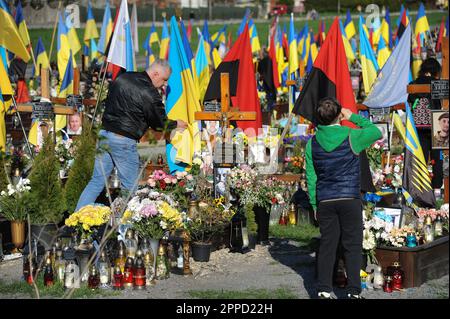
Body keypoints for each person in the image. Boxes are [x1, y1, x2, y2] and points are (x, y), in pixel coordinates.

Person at [75, 59, 187, 212]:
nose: (164, 84)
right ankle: (126, 231)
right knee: (130, 188)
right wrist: (177, 124)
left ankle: (76, 222)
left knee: (96, 182)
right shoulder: (149, 92)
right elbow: (159, 123)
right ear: (155, 74)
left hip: (104, 134)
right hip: (123, 139)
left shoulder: (122, 78)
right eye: (164, 80)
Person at [305, 97, 381, 299]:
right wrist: (353, 117)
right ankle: (353, 291)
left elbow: (311, 178)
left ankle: (324, 289)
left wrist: (314, 204)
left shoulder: (311, 143)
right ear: (339, 114)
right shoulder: (351, 136)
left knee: (328, 244)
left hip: (325, 199)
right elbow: (376, 132)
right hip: (349, 198)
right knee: (352, 245)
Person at [408, 58, 443, 190]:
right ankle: (437, 188)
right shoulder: (438, 84)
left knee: (420, 158)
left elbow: (409, 102)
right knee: (437, 159)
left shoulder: (413, 84)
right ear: (435, 71)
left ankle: (420, 188)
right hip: (437, 124)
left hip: (418, 126)